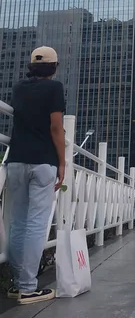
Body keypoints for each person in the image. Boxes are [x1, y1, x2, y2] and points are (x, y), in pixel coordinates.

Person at [7, 47, 65, 305]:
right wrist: (62, 163)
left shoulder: (19, 88)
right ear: (54, 67)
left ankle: (16, 283)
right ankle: (29, 288)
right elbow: (56, 127)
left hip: (16, 160)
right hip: (43, 162)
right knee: (36, 224)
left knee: (17, 222)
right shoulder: (54, 88)